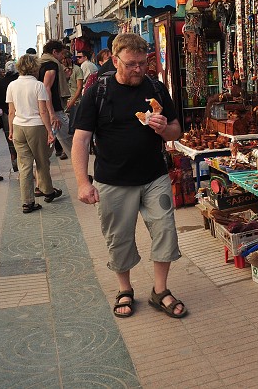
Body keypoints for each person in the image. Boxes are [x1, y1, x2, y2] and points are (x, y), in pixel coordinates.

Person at [72, 33, 185, 319]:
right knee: (119, 237)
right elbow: (81, 140)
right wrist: (83, 182)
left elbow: (176, 131)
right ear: (114, 60)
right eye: (131, 64)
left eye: (143, 63)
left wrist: (163, 128)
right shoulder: (97, 91)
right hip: (112, 180)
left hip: (154, 176)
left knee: (165, 231)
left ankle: (160, 290)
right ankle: (125, 289)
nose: (138, 69)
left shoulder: (156, 88)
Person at [6, 54, 62, 213]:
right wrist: (49, 131)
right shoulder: (38, 85)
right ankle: (48, 191)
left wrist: (11, 130)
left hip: (18, 126)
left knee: (24, 166)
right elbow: (43, 111)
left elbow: (11, 111)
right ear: (34, 67)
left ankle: (27, 202)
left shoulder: (12, 85)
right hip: (36, 126)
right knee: (42, 161)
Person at [38, 40, 73, 159]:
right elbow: (46, 88)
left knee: (49, 140)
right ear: (54, 52)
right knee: (70, 138)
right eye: (61, 53)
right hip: (54, 109)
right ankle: (79, 163)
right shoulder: (52, 66)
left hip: (44, 108)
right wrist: (52, 113)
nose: (63, 57)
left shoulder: (41, 64)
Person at [0, 60, 20, 171]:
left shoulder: (1, 83)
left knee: (11, 139)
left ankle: (15, 162)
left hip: (7, 115)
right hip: (21, 114)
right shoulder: (19, 81)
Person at [65, 52, 84, 136]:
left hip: (75, 100)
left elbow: (79, 87)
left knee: (74, 125)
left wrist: (73, 101)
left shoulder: (77, 69)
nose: (64, 61)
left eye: (66, 58)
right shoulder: (61, 69)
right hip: (65, 100)